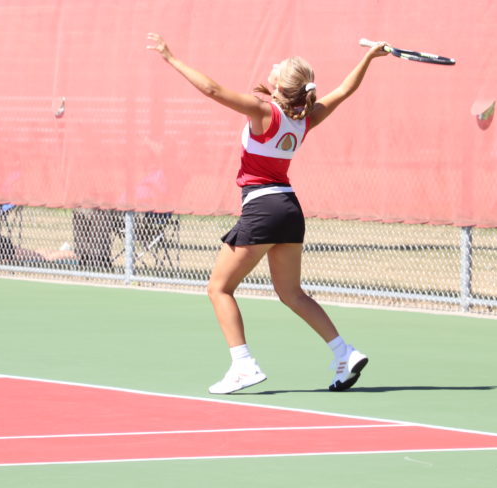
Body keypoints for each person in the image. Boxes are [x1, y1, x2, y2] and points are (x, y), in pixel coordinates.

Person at [147, 32, 390, 394]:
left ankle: (243, 365)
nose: (273, 66)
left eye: (279, 67)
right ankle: (345, 352)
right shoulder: (307, 119)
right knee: (292, 293)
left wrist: (171, 58)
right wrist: (368, 58)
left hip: (262, 206)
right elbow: (343, 91)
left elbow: (212, 90)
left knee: (219, 288)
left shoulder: (264, 112)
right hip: (289, 209)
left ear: (280, 85)